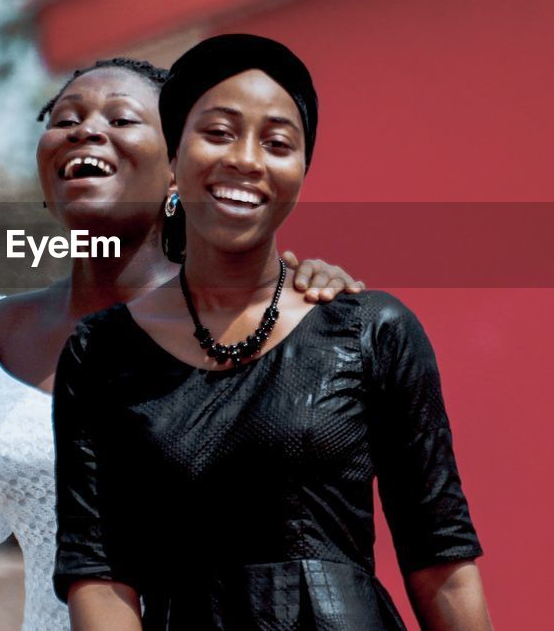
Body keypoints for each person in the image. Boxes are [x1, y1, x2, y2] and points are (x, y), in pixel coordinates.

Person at [0, 57, 364, 631]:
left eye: (122, 119)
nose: (87, 130)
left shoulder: (253, 322)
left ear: (179, 168)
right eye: (66, 119)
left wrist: (299, 299)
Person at [54, 35, 492, 630]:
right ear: (174, 161)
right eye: (218, 133)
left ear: (301, 171)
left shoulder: (372, 330)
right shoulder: (102, 351)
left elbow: (440, 559)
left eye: (278, 143)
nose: (248, 160)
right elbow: (100, 574)